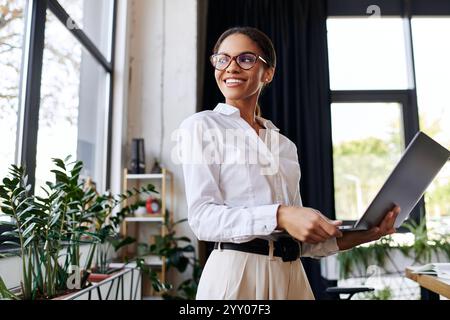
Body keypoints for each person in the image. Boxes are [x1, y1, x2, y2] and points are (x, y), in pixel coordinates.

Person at [177, 26, 400, 300]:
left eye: (245, 59)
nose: (231, 67)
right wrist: (280, 214)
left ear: (267, 73)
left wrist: (364, 235)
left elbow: (300, 240)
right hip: (237, 277)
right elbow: (203, 219)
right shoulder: (202, 126)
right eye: (223, 59)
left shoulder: (283, 146)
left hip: (293, 277)